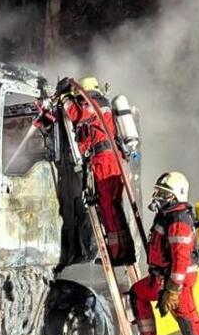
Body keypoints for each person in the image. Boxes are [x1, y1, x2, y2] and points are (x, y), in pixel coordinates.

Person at [40, 76, 136, 266]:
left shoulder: (93, 101)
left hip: (105, 160)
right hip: (103, 160)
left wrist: (66, 98)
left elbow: (78, 115)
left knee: (109, 208)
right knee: (110, 208)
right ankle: (122, 250)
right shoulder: (97, 103)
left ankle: (120, 253)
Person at [130, 172, 199, 335]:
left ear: (175, 196)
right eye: (157, 191)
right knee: (137, 293)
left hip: (178, 282)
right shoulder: (167, 215)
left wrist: (173, 290)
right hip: (161, 279)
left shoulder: (178, 221)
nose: (157, 196)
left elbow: (181, 260)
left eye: (162, 193)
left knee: (188, 322)